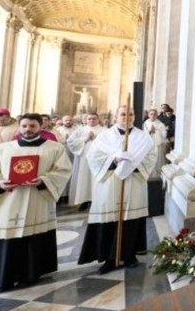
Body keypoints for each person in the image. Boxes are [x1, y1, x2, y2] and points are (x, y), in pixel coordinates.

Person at [0, 113, 71, 292]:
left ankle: (30, 274)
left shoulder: (54, 148)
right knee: (7, 237)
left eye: (32, 126)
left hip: (36, 198)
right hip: (8, 199)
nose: (28, 130)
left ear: (40, 126)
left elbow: (63, 171)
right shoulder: (4, 148)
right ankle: (3, 276)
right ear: (19, 127)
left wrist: (44, 181)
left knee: (32, 237)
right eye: (24, 126)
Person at [77, 106, 157, 274]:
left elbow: (151, 157)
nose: (127, 117)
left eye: (130, 114)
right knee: (110, 219)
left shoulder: (144, 138)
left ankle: (129, 255)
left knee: (131, 220)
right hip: (110, 182)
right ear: (115, 117)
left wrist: (133, 164)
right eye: (122, 114)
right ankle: (109, 258)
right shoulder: (104, 137)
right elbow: (93, 157)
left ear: (135, 116)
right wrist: (114, 160)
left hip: (134, 182)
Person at [67, 113, 104, 211]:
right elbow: (70, 142)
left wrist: (96, 138)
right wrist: (85, 139)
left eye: (94, 118)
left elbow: (109, 143)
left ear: (98, 119)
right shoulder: (80, 130)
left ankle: (95, 200)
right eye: (89, 119)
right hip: (84, 159)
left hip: (99, 160)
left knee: (96, 179)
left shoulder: (104, 130)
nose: (92, 120)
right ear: (86, 120)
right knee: (84, 180)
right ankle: (83, 200)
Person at [142, 109, 168, 176]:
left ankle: (157, 175)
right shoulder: (145, 123)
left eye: (154, 114)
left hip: (157, 146)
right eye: (151, 114)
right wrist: (149, 131)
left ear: (157, 115)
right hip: (148, 147)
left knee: (158, 161)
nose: (153, 115)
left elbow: (164, 135)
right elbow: (143, 135)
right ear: (148, 115)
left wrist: (157, 131)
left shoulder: (161, 124)